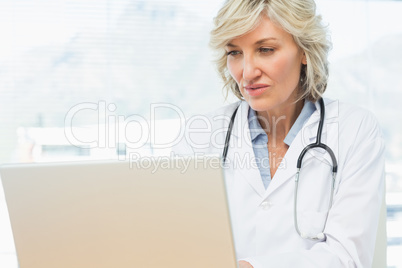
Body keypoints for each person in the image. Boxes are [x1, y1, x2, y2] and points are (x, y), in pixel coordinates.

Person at [173, 0, 385, 267]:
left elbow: (347, 257)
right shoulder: (199, 136)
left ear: (305, 51)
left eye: (265, 49)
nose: (247, 73)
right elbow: (177, 245)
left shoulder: (354, 130)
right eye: (235, 53)